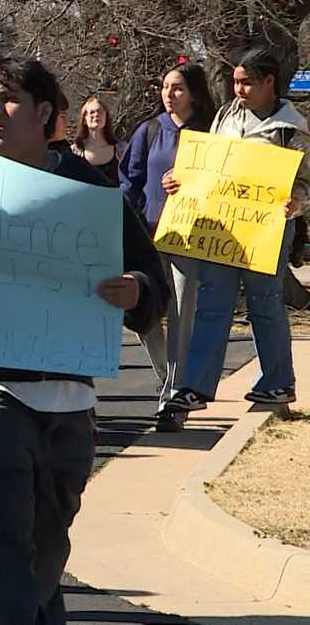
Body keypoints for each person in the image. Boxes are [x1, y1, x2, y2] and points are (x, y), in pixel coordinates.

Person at [0, 57, 167, 624]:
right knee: (4, 527)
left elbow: (152, 283)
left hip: (69, 391)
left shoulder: (89, 189)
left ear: (45, 113)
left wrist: (134, 290)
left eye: (9, 99)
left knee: (48, 540)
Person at [167, 48, 310, 411]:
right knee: (212, 301)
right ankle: (195, 387)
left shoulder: (291, 127)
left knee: (264, 302)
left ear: (269, 82)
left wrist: (296, 202)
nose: (239, 90)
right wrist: (180, 179)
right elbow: (209, 165)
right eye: (235, 82)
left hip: (268, 230)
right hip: (223, 228)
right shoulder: (227, 115)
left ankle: (278, 382)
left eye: (247, 83)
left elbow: (305, 181)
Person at [118, 62, 217, 429]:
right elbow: (128, 182)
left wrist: (189, 182)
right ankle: (167, 377)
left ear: (194, 94)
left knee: (180, 318)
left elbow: (223, 184)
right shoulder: (149, 130)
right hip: (148, 236)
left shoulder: (210, 134)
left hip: (191, 239)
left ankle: (174, 398)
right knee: (141, 313)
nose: (169, 94)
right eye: (165, 87)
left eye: (177, 88)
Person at [73, 95, 126, 183]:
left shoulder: (121, 150)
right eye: (92, 112)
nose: (96, 115)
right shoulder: (75, 152)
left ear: (106, 117)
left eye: (99, 111)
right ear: (84, 119)